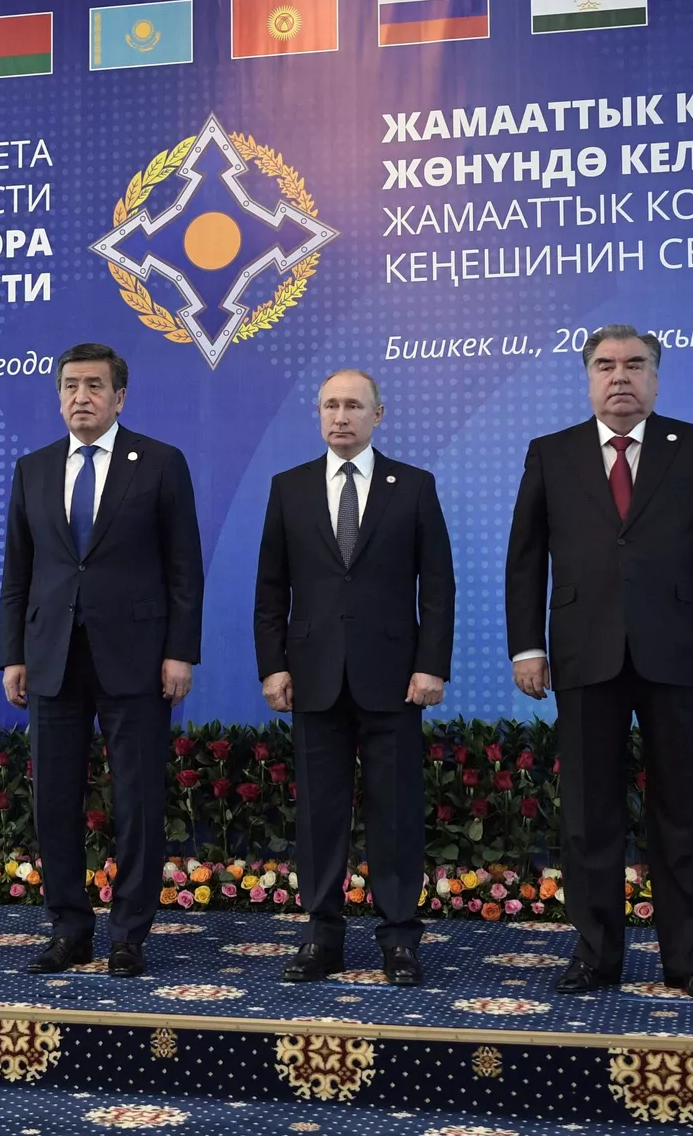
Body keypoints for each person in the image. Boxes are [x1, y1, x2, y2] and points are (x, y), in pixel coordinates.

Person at [505, 325, 693, 1001]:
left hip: (675, 649)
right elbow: (525, 558)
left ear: (656, 378)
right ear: (588, 377)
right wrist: (528, 647)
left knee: (684, 810)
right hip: (584, 649)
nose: (620, 376)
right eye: (606, 365)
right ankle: (595, 956)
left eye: (635, 364)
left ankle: (690, 960)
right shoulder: (551, 452)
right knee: (589, 814)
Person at [0, 343, 203, 978]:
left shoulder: (160, 463)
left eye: (93, 385)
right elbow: (17, 574)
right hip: (51, 656)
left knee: (137, 800)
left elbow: (184, 570)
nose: (80, 396)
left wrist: (180, 652)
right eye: (69, 385)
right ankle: (69, 929)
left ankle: (129, 935)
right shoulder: (33, 468)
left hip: (136, 657)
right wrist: (13, 655)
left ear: (120, 397)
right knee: (53, 801)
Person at [255, 369, 454, 987]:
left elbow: (438, 586)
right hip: (312, 675)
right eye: (330, 406)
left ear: (378, 415)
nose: (340, 416)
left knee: (395, 812)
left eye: (353, 406)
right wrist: (273, 666)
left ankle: (399, 940)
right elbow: (270, 589)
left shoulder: (413, 486)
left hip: (394, 677)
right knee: (319, 814)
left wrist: (431, 664)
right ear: (319, 414)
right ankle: (322, 938)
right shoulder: (288, 487)